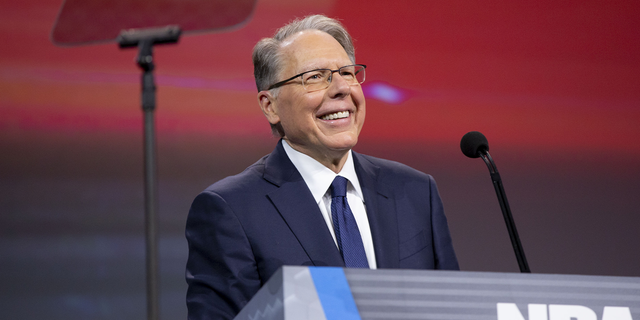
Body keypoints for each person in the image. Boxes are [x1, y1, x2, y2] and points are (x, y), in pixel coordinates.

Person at [185, 14, 459, 320]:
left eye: (347, 73)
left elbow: (451, 310)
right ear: (270, 105)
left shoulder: (417, 192)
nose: (341, 88)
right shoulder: (231, 210)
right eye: (315, 76)